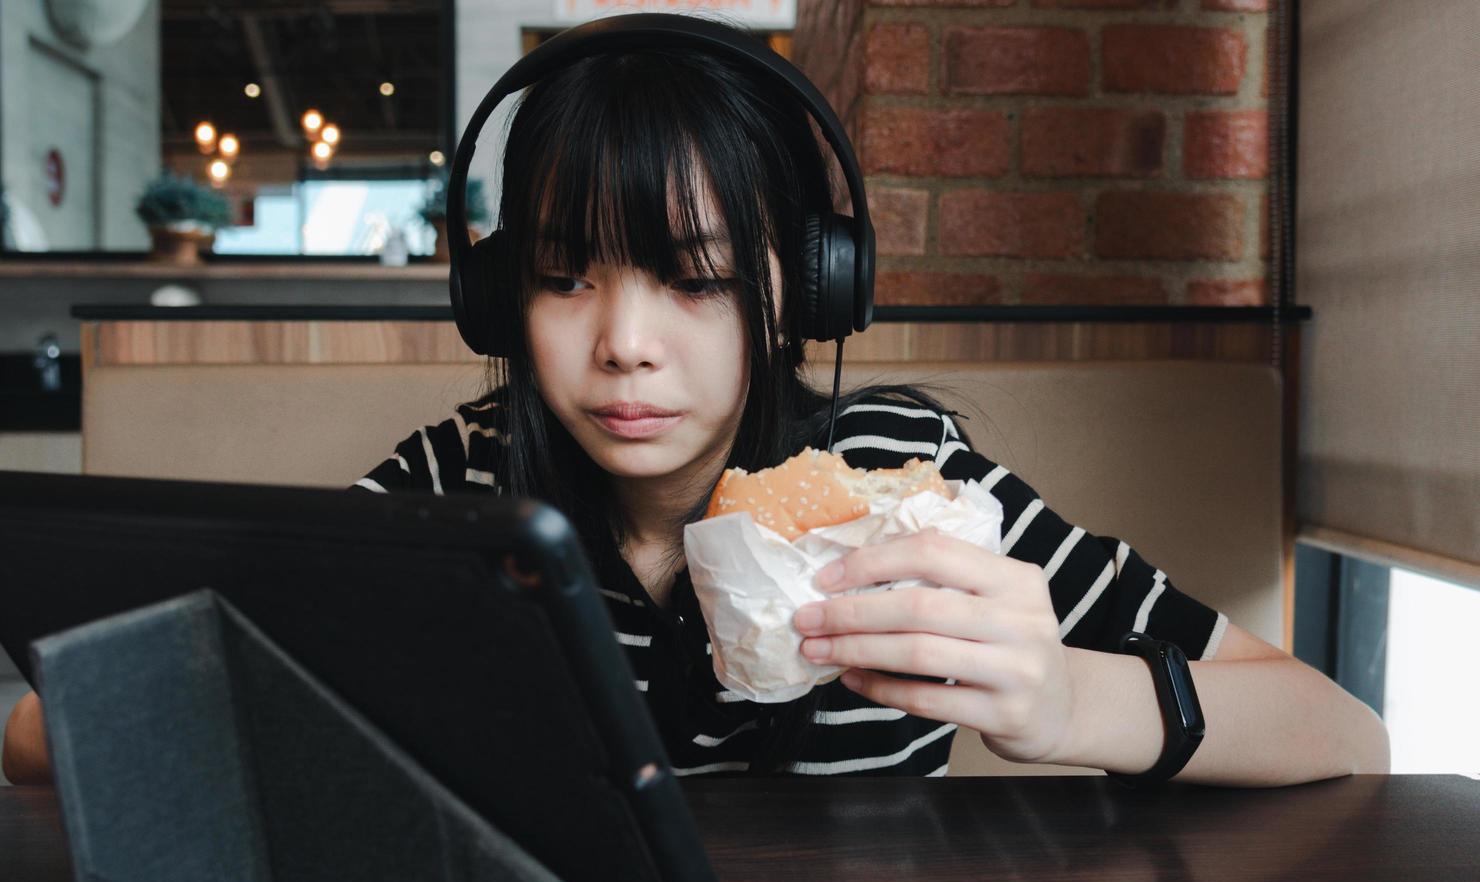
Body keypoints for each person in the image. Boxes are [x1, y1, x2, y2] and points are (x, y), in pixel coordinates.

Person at [3, 23, 1388, 787]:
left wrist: (1061, 702)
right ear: (498, 300)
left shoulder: (901, 485)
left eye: (698, 280)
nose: (624, 347)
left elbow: (1342, 731)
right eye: (561, 279)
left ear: (805, 287)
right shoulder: (450, 497)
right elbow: (51, 737)